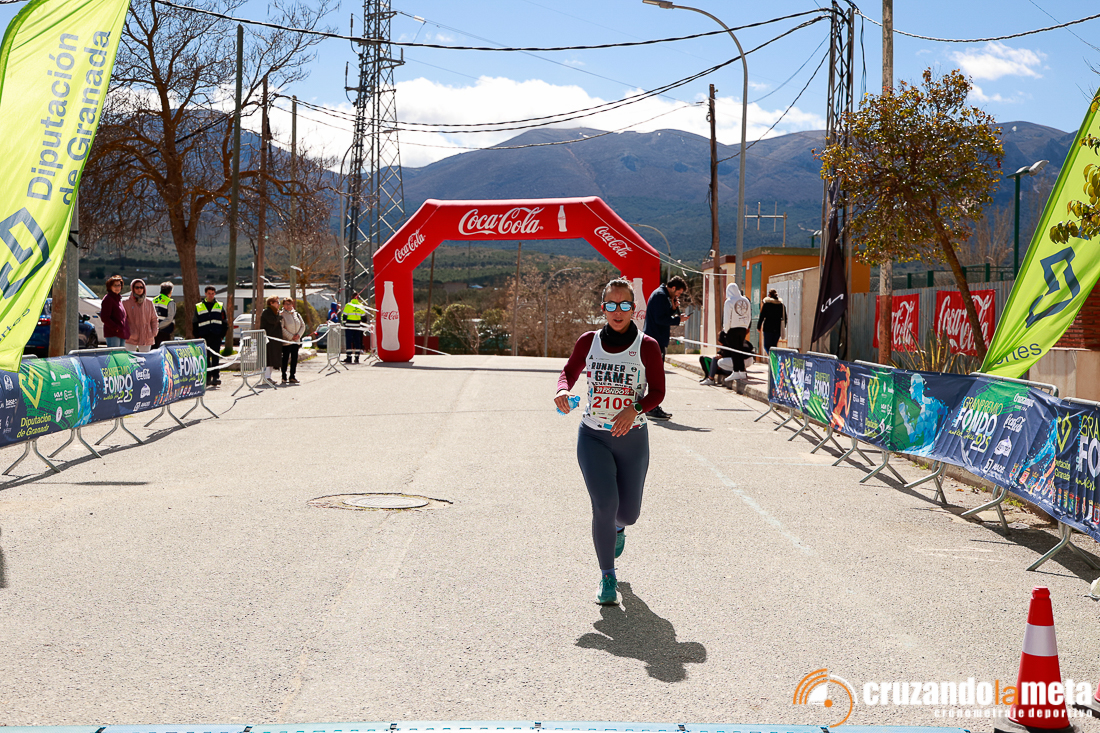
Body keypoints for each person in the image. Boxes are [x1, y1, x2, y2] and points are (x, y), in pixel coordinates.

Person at [555, 278, 666, 606]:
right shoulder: (588, 341)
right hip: (593, 436)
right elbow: (568, 372)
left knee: (627, 514)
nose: (618, 311)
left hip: (633, 439)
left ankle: (618, 529)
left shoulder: (647, 346)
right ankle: (607, 577)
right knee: (604, 505)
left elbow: (658, 392)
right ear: (603, 308)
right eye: (612, 305)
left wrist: (635, 409)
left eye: (625, 305)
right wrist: (563, 390)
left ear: (634, 309)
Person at [641, 275, 688, 421]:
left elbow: (662, 315)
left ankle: (651, 405)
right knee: (655, 375)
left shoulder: (662, 295)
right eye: (678, 292)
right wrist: (678, 319)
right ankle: (651, 407)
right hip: (655, 339)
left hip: (656, 339)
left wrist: (673, 309)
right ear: (673, 288)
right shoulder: (660, 296)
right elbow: (660, 319)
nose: (678, 295)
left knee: (654, 374)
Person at [701, 282, 751, 386]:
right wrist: (746, 325)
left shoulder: (729, 301)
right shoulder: (745, 300)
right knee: (739, 350)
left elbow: (727, 318)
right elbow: (749, 315)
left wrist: (726, 330)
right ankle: (742, 371)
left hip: (732, 329)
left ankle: (736, 371)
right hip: (743, 328)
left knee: (734, 351)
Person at [193, 285, 228, 387]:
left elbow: (224, 321)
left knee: (215, 357)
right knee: (205, 358)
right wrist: (197, 336)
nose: (211, 295)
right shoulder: (199, 306)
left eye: (212, 293)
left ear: (215, 294)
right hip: (203, 336)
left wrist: (222, 335)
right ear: (205, 294)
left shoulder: (220, 305)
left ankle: (216, 377)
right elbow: (195, 322)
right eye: (209, 293)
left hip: (216, 335)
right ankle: (207, 378)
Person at [122, 278, 158, 353]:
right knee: (130, 357)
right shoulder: (125, 302)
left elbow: (154, 318)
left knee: (145, 358)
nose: (139, 289)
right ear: (132, 288)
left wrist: (154, 332)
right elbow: (123, 319)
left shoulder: (149, 302)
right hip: (130, 337)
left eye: (141, 287)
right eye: (137, 287)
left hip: (147, 336)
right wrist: (126, 332)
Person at [280, 298, 306, 384]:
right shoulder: (282, 315)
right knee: (285, 358)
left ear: (292, 305)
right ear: (283, 305)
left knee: (294, 359)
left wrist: (298, 335)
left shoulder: (297, 314)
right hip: (287, 341)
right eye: (286, 304)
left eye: (290, 304)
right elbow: (282, 328)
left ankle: (292, 376)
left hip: (296, 341)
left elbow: (302, 325)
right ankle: (283, 376)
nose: (288, 306)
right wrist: (291, 337)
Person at [100, 274, 129, 348]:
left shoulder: (118, 299)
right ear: (110, 287)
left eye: (119, 285)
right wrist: (116, 328)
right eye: (115, 285)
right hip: (113, 333)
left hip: (121, 333)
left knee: (120, 354)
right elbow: (105, 317)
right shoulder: (108, 299)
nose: (117, 287)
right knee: (114, 353)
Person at [757, 289, 788, 355]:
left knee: (766, 346)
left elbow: (762, 316)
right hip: (777, 328)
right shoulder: (781, 305)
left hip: (768, 328)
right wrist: (784, 326)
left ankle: (772, 358)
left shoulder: (766, 305)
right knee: (774, 346)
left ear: (769, 295)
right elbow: (785, 317)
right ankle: (773, 358)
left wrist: (759, 326)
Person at [260, 296, 283, 383]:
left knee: (273, 358)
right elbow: (272, 321)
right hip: (268, 339)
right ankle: (265, 377)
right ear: (271, 303)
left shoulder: (275, 312)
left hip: (275, 339)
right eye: (277, 302)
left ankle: (268, 377)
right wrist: (280, 316)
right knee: (268, 358)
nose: (279, 304)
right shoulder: (267, 312)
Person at [342, 294, 367, 363]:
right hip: (358, 327)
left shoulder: (348, 305)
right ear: (358, 298)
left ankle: (349, 357)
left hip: (349, 326)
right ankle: (357, 358)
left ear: (351, 297)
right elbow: (364, 318)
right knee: (357, 342)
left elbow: (344, 316)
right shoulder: (361, 306)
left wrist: (344, 324)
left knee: (349, 342)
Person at [153, 281, 177, 346]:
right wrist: (158, 326)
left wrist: (154, 327)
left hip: (153, 331)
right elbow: (170, 318)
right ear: (170, 291)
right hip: (165, 331)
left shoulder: (153, 300)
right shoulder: (170, 301)